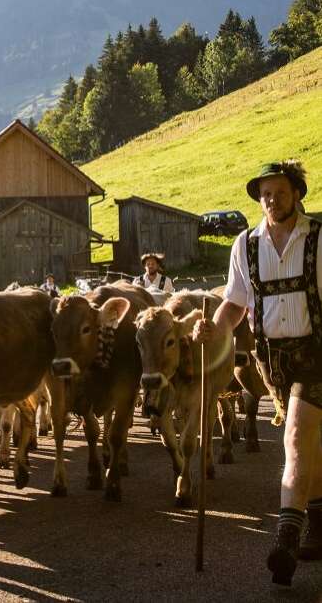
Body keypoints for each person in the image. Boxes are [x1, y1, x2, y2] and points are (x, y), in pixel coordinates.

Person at [193, 161, 322, 586]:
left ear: (297, 194)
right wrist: (214, 328)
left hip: (316, 354)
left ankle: (286, 538)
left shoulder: (319, 240)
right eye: (265, 193)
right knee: (309, 443)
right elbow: (235, 302)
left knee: (296, 439)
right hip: (272, 362)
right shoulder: (245, 245)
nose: (271, 200)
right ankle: (318, 524)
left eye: (280, 192)